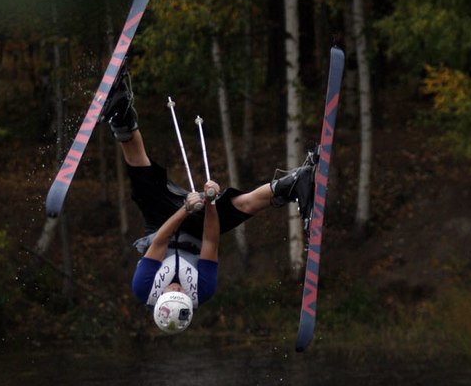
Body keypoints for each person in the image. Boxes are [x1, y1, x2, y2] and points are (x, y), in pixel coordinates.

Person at [99, 63, 316, 333]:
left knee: (141, 174)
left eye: (171, 290)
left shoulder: (143, 286)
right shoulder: (203, 290)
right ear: (188, 300)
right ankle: (296, 182)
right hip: (200, 234)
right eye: (180, 291)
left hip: (162, 224)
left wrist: (186, 209)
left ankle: (121, 116)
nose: (176, 286)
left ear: (160, 299)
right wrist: (210, 202)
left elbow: (161, 240)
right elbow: (212, 239)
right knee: (243, 205)